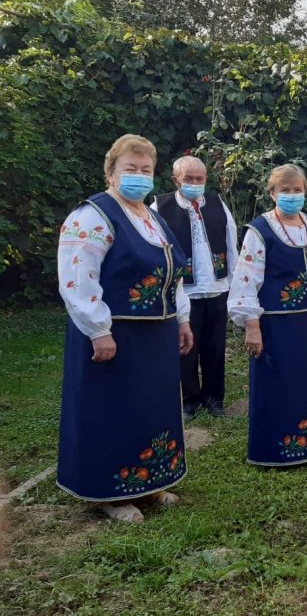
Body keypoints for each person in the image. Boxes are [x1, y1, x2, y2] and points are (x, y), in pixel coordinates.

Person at [56, 134, 194, 523]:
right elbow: (77, 279)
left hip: (157, 334)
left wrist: (181, 319)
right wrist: (98, 329)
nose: (139, 176)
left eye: (146, 170)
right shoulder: (93, 215)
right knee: (114, 410)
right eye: (130, 169)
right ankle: (111, 492)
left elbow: (174, 275)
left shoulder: (151, 217)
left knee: (151, 406)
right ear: (111, 172)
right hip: (116, 336)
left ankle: (151, 480)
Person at [227, 164, 307, 467]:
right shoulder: (259, 231)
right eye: (284, 190)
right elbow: (247, 279)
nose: (291, 195)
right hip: (275, 324)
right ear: (272, 193)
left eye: (297, 190)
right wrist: (251, 325)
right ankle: (272, 448)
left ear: (305, 191)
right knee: (277, 382)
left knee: (306, 380)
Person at [152, 155, 238, 420]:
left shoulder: (216, 204)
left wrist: (234, 286)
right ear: (176, 179)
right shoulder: (160, 206)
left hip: (216, 288)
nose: (194, 183)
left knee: (215, 347)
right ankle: (189, 401)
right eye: (188, 178)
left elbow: (231, 243)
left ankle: (215, 399)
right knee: (186, 347)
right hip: (184, 292)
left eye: (199, 179)